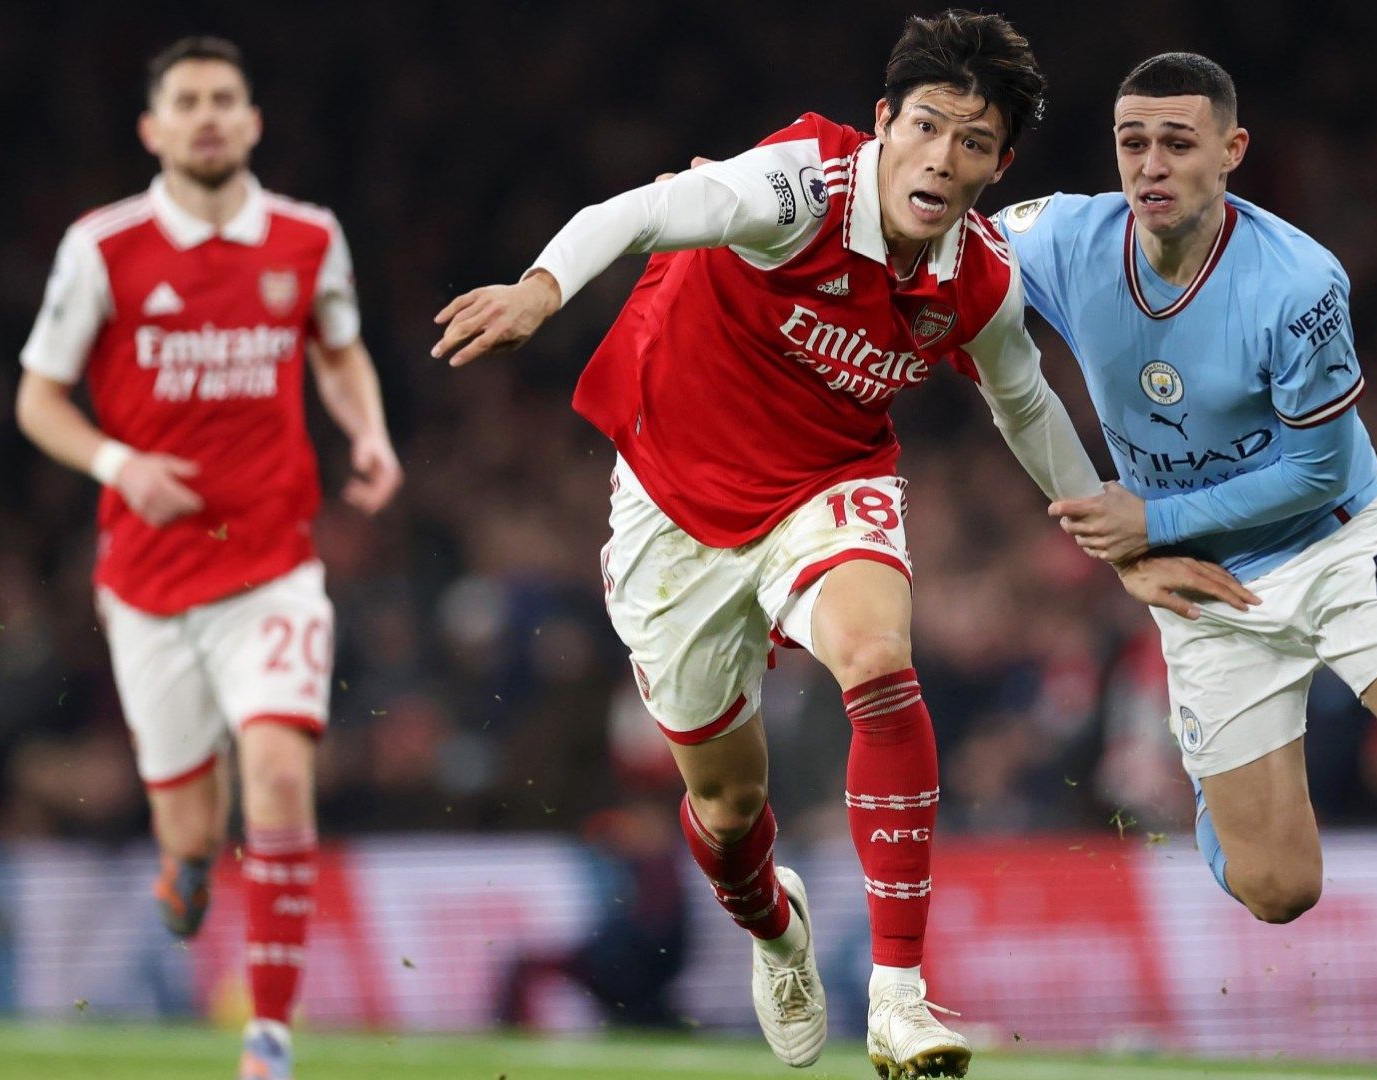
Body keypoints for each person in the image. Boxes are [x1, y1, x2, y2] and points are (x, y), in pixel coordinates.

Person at [432, 12, 1249, 1077]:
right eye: (926, 126)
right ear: (884, 124)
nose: (941, 157)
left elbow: (1024, 404)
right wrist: (541, 287)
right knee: (726, 812)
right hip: (674, 506)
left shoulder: (979, 276)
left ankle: (902, 997)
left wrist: (1116, 541)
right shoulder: (799, 190)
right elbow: (640, 209)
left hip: (830, 483)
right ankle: (777, 932)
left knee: (877, 658)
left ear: (999, 165)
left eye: (972, 142)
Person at [999, 53, 1377, 1080]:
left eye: (1177, 143)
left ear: (1232, 153)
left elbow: (1313, 467)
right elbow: (929, 245)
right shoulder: (1062, 238)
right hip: (1206, 589)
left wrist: (1150, 518)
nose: (1150, 165)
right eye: (1132, 142)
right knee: (1280, 890)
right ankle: (1219, 801)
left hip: (1339, 542)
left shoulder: (1299, 282)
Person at [15, 36, 402, 1080]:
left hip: (273, 564)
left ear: (252, 119)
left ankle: (268, 1037)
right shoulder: (103, 248)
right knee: (193, 828)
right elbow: (36, 398)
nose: (207, 116)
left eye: (224, 98)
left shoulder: (308, 239)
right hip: (146, 584)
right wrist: (115, 461)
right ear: (153, 129)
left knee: (278, 772)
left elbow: (338, 348)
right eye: (185, 101)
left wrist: (365, 430)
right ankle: (185, 865)